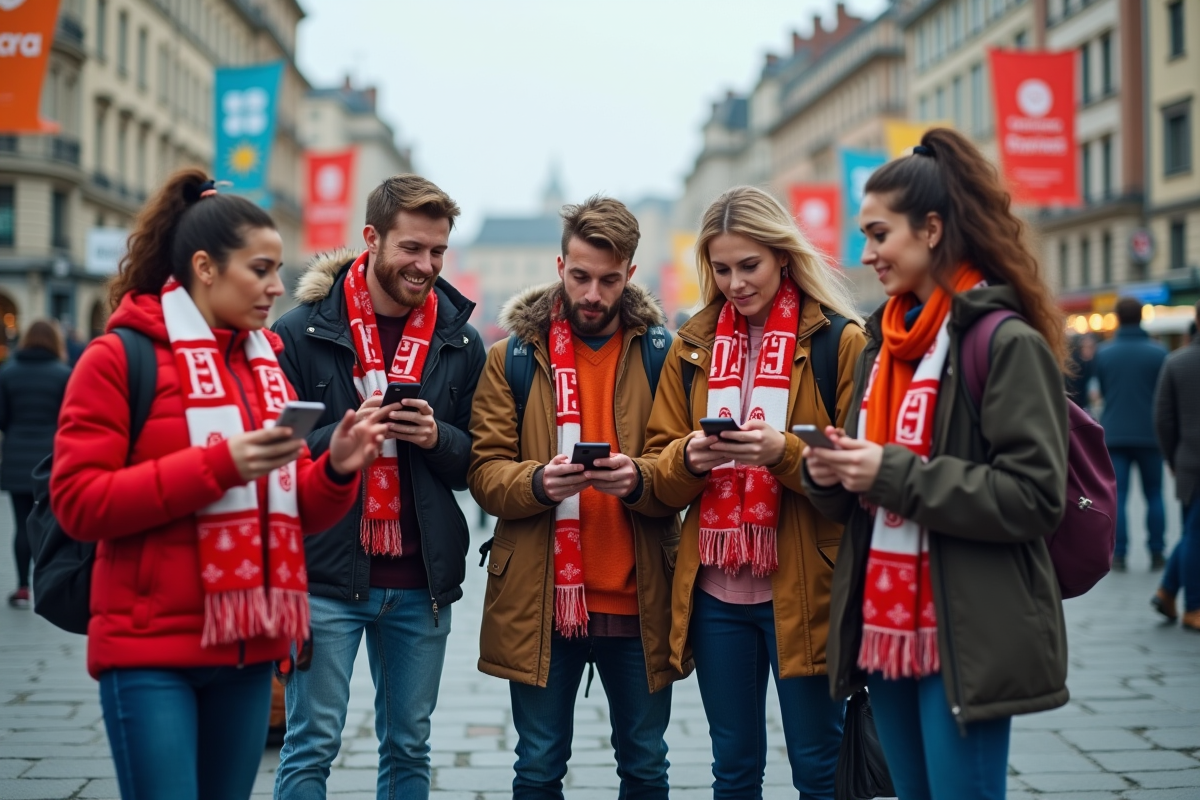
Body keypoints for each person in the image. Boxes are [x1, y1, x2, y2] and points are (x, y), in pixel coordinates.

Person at [49, 169, 389, 800]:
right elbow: (79, 504)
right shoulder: (119, 358)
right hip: (152, 650)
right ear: (205, 267)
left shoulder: (263, 366)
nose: (276, 286)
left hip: (249, 648)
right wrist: (219, 466)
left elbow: (294, 510)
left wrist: (338, 466)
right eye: (260, 269)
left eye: (277, 269)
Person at [802, 129, 1070, 800]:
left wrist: (887, 473)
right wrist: (831, 473)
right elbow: (867, 496)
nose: (867, 255)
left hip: (964, 631)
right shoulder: (881, 344)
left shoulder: (1003, 341)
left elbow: (1036, 495)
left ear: (930, 229)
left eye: (878, 235)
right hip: (884, 626)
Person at [641, 185, 865, 800]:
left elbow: (859, 477)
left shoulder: (838, 342)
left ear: (784, 258)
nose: (736, 282)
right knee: (733, 769)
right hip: (716, 592)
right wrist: (688, 457)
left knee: (819, 766)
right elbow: (658, 474)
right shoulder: (692, 345)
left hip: (805, 586)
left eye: (750, 266)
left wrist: (783, 453)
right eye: (721, 268)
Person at [272, 174, 485, 800]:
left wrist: (435, 436)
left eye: (438, 252)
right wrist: (339, 444)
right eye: (412, 248)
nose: (425, 266)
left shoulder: (460, 341)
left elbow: (478, 464)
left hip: (420, 582)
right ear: (371, 238)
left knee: (409, 744)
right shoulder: (301, 331)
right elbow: (278, 451)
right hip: (328, 576)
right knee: (311, 742)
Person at [469, 195, 685, 799]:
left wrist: (638, 477)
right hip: (542, 599)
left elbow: (680, 470)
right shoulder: (509, 357)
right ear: (559, 265)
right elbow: (484, 474)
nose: (592, 295)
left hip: (638, 597)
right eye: (581, 276)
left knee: (645, 764)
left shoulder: (663, 355)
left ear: (631, 276)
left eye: (609, 280)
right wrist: (538, 483)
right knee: (538, 766)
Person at [1094, 296, 1169, 571]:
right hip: (1150, 434)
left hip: (1114, 434)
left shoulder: (1104, 353)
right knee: (1154, 494)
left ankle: (1120, 553)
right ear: (1141, 317)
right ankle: (1157, 551)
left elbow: (1102, 391)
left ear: (1117, 317)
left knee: (1119, 497)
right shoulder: (1159, 352)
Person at [1, 319, 71, 608]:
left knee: (21, 526)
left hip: (16, 458)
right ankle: (49, 585)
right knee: (50, 526)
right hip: (51, 459)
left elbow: (2, 419)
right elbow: (70, 418)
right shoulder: (64, 375)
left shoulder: (7, 373)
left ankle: (21, 586)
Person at [1152, 305, 1200, 631]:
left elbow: (1163, 419)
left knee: (1192, 532)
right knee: (1195, 535)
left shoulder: (1177, 361)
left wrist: (1173, 458)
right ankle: (1193, 607)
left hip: (1189, 461)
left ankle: (1168, 591)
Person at [1064, 333, 1096, 414]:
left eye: (1092, 348)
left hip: (1084, 404)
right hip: (1074, 404)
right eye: (1087, 347)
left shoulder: (1090, 362)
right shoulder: (1074, 364)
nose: (1090, 351)